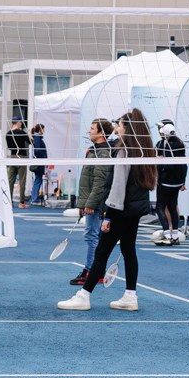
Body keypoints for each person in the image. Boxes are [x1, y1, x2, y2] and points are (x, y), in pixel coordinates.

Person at [65, 108, 154, 313]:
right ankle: (130, 296)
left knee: (101, 253)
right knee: (128, 250)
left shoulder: (123, 151)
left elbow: (118, 185)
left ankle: (84, 296)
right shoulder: (144, 150)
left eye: (120, 125)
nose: (116, 128)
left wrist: (109, 215)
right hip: (134, 209)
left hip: (120, 210)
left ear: (128, 129)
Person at [66, 118, 118, 294]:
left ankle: (92, 271)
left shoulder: (103, 152)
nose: (89, 131)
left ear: (101, 132)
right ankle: (94, 270)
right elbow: (87, 179)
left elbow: (99, 181)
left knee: (92, 236)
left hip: (95, 202)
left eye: (92, 128)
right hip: (90, 200)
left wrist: (90, 203)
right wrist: (83, 202)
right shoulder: (93, 149)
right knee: (91, 235)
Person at [152, 120, 189, 244]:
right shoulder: (179, 143)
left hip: (166, 181)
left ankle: (168, 234)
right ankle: (175, 234)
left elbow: (161, 163)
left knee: (160, 206)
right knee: (173, 206)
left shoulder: (162, 143)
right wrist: (183, 181)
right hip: (177, 181)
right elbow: (184, 164)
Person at [28, 123, 50, 204]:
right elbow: (37, 150)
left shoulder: (37, 137)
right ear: (40, 129)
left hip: (39, 161)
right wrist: (42, 158)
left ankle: (34, 197)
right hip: (39, 162)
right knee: (38, 180)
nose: (44, 131)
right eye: (43, 129)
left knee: (38, 180)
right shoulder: (37, 137)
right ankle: (34, 198)